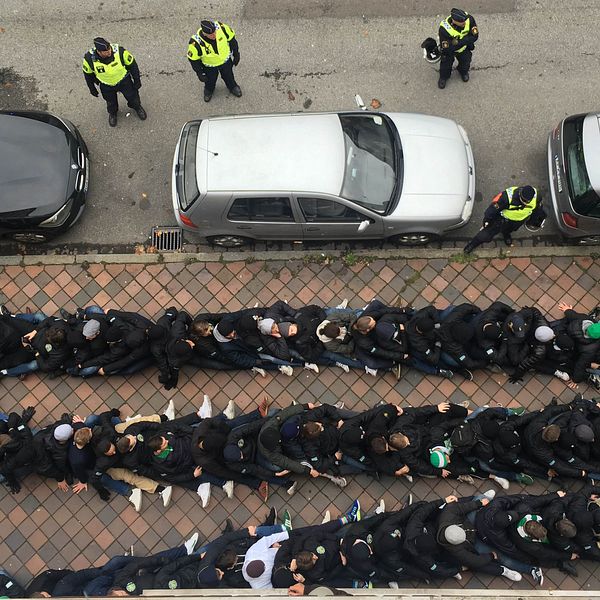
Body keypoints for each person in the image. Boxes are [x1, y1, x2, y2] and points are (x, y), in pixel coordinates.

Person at [83, 37, 147, 127]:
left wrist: (137, 80)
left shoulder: (120, 52)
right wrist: (92, 88)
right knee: (110, 102)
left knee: (133, 97)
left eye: (109, 49)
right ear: (99, 52)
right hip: (106, 85)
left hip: (124, 81)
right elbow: (88, 75)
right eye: (106, 52)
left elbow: (133, 65)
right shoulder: (89, 59)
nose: (109, 52)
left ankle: (137, 107)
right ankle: (113, 113)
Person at [463, 186, 544, 253]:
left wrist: (534, 221)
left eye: (527, 202)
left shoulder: (537, 197)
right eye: (523, 201)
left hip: (517, 221)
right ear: (519, 194)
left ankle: (506, 235)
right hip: (502, 219)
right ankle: (473, 244)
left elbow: (537, 209)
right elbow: (492, 209)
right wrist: (487, 220)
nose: (525, 203)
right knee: (485, 235)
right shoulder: (506, 197)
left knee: (510, 230)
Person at [187, 20, 242, 102]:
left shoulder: (222, 28)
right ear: (204, 33)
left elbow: (232, 40)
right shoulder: (196, 43)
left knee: (229, 76)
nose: (214, 35)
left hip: (225, 61)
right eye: (211, 34)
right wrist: (199, 73)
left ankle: (232, 86)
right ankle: (209, 90)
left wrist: (236, 54)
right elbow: (193, 60)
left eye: (214, 32)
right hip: (209, 66)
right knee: (210, 80)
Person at [437, 8, 479, 89]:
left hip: (464, 49)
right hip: (449, 51)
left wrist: (459, 42)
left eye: (464, 21)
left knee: (466, 62)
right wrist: (466, 40)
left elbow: (475, 36)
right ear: (453, 21)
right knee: (445, 65)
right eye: (461, 22)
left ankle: (462, 71)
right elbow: (447, 47)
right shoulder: (444, 29)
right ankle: (444, 77)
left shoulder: (469, 19)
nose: (464, 23)